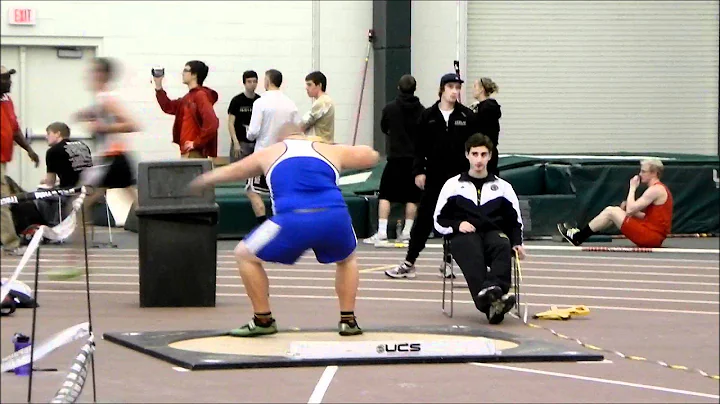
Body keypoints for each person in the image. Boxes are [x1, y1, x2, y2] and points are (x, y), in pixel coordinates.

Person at [188, 123, 380, 337]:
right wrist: (334, 146)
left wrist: (201, 180)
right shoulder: (329, 149)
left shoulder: (270, 152)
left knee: (244, 254)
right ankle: (348, 320)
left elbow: (231, 171)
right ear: (304, 135)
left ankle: (263, 319)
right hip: (334, 216)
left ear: (280, 138)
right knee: (347, 259)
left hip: (292, 218)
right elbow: (371, 156)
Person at [384, 73, 480, 279]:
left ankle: (447, 262)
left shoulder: (466, 117)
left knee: (455, 220)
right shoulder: (428, 116)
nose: (455, 91)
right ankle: (409, 262)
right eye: (451, 87)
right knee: (424, 218)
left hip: (459, 178)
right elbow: (419, 147)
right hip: (434, 177)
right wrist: (419, 171)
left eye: (457, 87)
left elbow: (475, 146)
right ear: (442, 89)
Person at [53, 57, 142, 279]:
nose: (89, 78)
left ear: (101, 76)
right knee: (85, 206)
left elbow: (132, 124)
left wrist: (103, 125)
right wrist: (87, 115)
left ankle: (76, 263)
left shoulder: (108, 98)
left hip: (114, 160)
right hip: (110, 160)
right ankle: (77, 262)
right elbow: (100, 114)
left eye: (92, 73)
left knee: (81, 205)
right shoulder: (102, 100)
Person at [434, 133, 525, 324]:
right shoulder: (452, 186)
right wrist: (458, 225)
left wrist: (517, 243)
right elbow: (438, 220)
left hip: (493, 232)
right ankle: (493, 301)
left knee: (503, 244)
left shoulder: (503, 187)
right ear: (467, 155)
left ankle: (493, 296)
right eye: (475, 154)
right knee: (471, 248)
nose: (479, 160)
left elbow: (514, 221)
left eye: (483, 154)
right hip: (462, 235)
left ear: (490, 156)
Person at [558, 159, 673, 248]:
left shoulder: (655, 190)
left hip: (650, 236)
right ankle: (580, 235)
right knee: (613, 212)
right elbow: (648, 217)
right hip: (653, 235)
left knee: (611, 211)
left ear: (654, 173)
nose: (640, 174)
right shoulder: (659, 189)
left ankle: (578, 237)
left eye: (643, 171)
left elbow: (630, 210)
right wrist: (631, 210)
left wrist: (632, 188)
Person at [364, 74, 424, 244]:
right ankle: (407, 232)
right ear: (415, 89)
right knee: (412, 197)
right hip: (414, 160)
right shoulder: (422, 111)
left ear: (398, 88)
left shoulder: (390, 109)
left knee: (385, 195)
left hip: (396, 158)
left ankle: (382, 231)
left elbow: (384, 127)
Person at [245, 69, 300, 224]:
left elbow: (253, 132)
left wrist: (248, 133)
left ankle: (264, 225)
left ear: (267, 81)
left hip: (264, 154)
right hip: (284, 155)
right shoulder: (291, 104)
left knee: (252, 190)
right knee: (279, 192)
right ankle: (283, 224)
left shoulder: (260, 102)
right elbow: (296, 131)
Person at [1, 65, 40, 256]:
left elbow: (14, 129)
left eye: (9, 78)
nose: (9, 82)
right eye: (4, 79)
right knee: (3, 200)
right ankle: (10, 243)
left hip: (2, 159)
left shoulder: (7, 100)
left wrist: (29, 150)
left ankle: (9, 242)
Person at [154, 60, 219, 160]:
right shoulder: (188, 98)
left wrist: (196, 143)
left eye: (186, 70)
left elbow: (212, 123)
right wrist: (158, 86)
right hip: (187, 151)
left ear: (194, 75)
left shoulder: (200, 95)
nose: (182, 73)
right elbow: (168, 106)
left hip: (194, 152)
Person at [42, 122, 93, 189]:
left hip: (71, 191)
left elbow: (50, 182)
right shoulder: (83, 145)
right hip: (90, 188)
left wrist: (45, 182)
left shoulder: (53, 151)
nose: (46, 137)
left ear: (58, 134)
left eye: (48, 134)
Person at [470, 78, 501, 176]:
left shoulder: (487, 109)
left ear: (481, 89)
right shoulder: (482, 107)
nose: (473, 89)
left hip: (486, 153)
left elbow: (477, 127)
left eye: (475, 86)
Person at [228, 70, 261, 163]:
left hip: (256, 143)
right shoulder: (237, 100)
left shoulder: (260, 100)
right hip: (241, 142)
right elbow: (230, 123)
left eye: (255, 81)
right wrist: (236, 143)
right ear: (244, 83)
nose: (252, 84)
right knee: (237, 172)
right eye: (249, 82)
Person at [299, 71, 335, 143]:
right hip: (324, 144)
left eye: (309, 85)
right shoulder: (326, 100)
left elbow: (304, 124)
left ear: (319, 85)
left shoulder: (322, 102)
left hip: (320, 145)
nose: (306, 88)